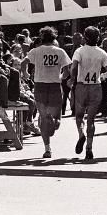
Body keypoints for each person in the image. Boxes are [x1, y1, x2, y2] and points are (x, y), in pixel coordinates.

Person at [21, 26, 72, 158]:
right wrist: (61, 77)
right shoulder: (60, 52)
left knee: (44, 118)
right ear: (54, 37)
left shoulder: (36, 51)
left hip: (40, 86)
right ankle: (52, 123)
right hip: (55, 85)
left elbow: (23, 62)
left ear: (42, 38)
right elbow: (67, 71)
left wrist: (25, 73)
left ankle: (47, 148)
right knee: (54, 120)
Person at [69, 26, 107, 160]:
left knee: (79, 116)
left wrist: (72, 80)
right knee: (91, 120)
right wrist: (102, 77)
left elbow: (74, 67)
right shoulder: (102, 53)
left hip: (82, 86)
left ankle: (81, 134)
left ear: (84, 37)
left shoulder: (79, 51)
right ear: (98, 37)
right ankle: (89, 147)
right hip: (96, 86)